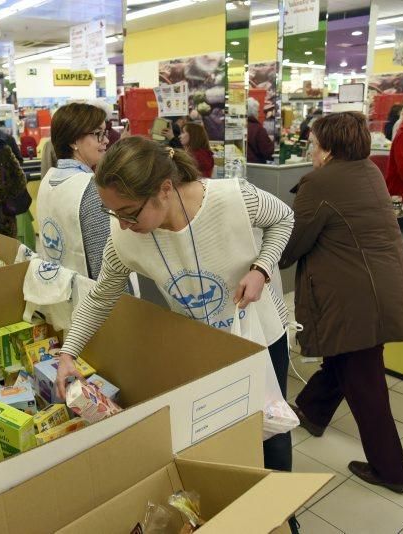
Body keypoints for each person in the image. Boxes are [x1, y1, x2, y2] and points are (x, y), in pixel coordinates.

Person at [54, 136, 295, 475]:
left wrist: (262, 269)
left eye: (129, 212)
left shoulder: (233, 199)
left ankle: (283, 514)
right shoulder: (125, 236)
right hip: (201, 345)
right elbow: (101, 295)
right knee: (216, 426)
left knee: (270, 430)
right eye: (113, 213)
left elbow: (284, 217)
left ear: (165, 189)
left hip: (260, 335)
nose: (122, 224)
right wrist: (67, 353)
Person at [280, 112, 403, 495]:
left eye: (313, 143)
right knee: (343, 358)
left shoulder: (319, 183)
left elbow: (293, 245)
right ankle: (311, 410)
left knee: (366, 384)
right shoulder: (369, 170)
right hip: (384, 288)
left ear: (328, 148)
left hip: (359, 299)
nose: (310, 149)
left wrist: (262, 257)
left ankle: (392, 471)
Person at [37, 102, 109, 279]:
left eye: (105, 133)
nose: (106, 140)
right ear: (73, 141)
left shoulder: (49, 180)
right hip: (91, 299)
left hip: (59, 289)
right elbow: (105, 266)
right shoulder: (90, 189)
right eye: (98, 134)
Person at [247, 98, 275, 164]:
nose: (259, 114)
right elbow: (269, 153)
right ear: (254, 112)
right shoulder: (258, 129)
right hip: (257, 168)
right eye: (258, 111)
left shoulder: (241, 126)